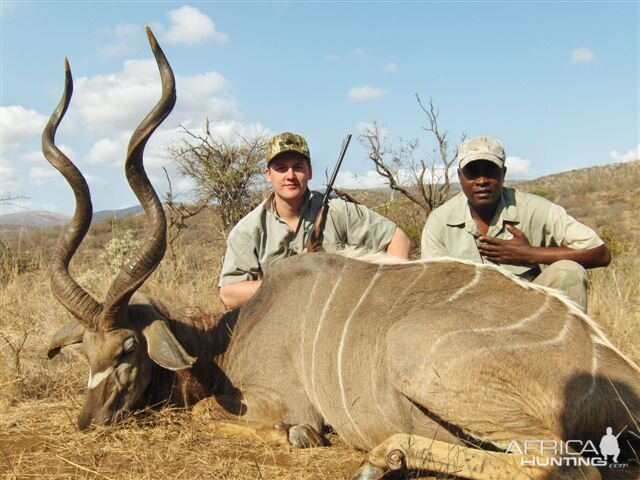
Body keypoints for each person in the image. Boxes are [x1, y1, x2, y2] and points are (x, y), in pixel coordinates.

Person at [219, 131, 411, 309]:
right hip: (278, 322)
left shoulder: (337, 210)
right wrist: (291, 279)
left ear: (309, 172)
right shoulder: (248, 229)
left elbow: (398, 239)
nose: (290, 176)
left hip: (337, 312)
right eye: (281, 168)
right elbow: (229, 294)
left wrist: (386, 296)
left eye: (298, 167)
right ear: (268, 174)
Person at [421, 135, 610, 312]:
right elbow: (434, 290)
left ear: (503, 173)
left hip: (527, 311)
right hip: (467, 315)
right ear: (460, 176)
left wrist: (530, 254)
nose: (482, 181)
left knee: (570, 271)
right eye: (472, 173)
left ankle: (565, 346)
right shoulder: (440, 222)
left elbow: (600, 254)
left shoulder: (535, 209)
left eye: (490, 172)